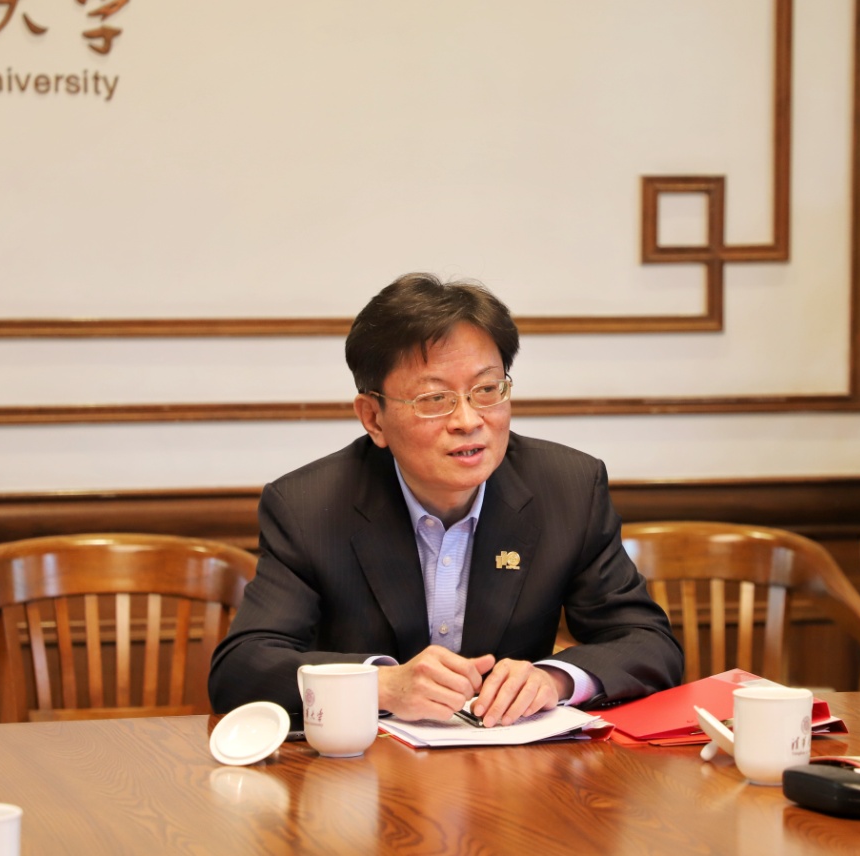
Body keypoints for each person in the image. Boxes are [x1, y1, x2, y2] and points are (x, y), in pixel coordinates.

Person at [209, 273, 682, 726]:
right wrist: (381, 685)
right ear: (373, 418)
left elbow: (648, 643)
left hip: (515, 767)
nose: (468, 420)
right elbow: (242, 669)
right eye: (435, 399)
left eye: (487, 390)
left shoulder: (567, 488)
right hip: (365, 770)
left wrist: (554, 679)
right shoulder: (309, 507)